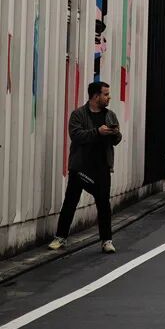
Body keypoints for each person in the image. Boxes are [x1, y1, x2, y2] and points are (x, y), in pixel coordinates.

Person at [48, 80, 122, 254]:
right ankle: (60, 237)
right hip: (80, 166)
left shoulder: (110, 115)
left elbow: (117, 140)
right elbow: (76, 135)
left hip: (102, 166)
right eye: (105, 94)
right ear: (95, 96)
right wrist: (98, 132)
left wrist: (115, 133)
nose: (109, 97)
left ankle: (106, 240)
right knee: (70, 202)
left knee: (103, 204)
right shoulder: (78, 115)